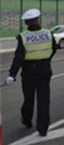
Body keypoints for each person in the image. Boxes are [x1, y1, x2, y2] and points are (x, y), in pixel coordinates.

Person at [4, 9, 57, 137]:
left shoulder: (23, 37)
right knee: (43, 101)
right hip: (44, 70)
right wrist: (45, 59)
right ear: (38, 20)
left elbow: (18, 58)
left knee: (28, 99)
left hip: (28, 72)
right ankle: (43, 129)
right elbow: (54, 49)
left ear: (26, 23)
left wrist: (12, 75)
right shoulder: (48, 33)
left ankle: (27, 121)